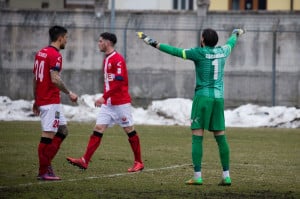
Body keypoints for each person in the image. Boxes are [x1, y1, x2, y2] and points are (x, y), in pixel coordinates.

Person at [137, 28, 244, 185]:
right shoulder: (223, 51)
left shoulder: (198, 53)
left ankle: (197, 176)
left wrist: (153, 42)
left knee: (197, 136)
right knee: (220, 136)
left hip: (202, 98)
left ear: (202, 40)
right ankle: (226, 176)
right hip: (219, 98)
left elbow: (176, 51)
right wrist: (236, 33)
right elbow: (231, 42)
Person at [66, 32, 144, 172]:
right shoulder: (106, 59)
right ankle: (85, 160)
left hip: (120, 103)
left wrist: (104, 97)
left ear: (108, 43)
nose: (99, 43)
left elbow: (119, 82)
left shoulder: (117, 59)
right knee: (98, 129)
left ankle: (139, 162)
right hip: (108, 104)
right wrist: (106, 98)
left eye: (100, 41)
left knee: (129, 130)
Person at [33, 25, 78, 180]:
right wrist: (69, 93)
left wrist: (36, 99)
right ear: (60, 38)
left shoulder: (41, 53)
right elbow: (55, 79)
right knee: (48, 135)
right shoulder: (55, 55)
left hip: (46, 100)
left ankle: (47, 166)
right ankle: (43, 171)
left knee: (63, 130)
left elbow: (36, 78)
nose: (66, 40)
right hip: (50, 101)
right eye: (66, 37)